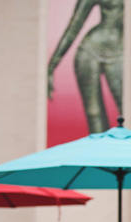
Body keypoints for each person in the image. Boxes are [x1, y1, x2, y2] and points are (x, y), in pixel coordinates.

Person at [48, 0, 123, 134]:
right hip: (90, 50)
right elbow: (73, 28)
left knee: (127, 108)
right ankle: (97, 152)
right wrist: (52, 66)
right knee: (94, 113)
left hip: (120, 51)